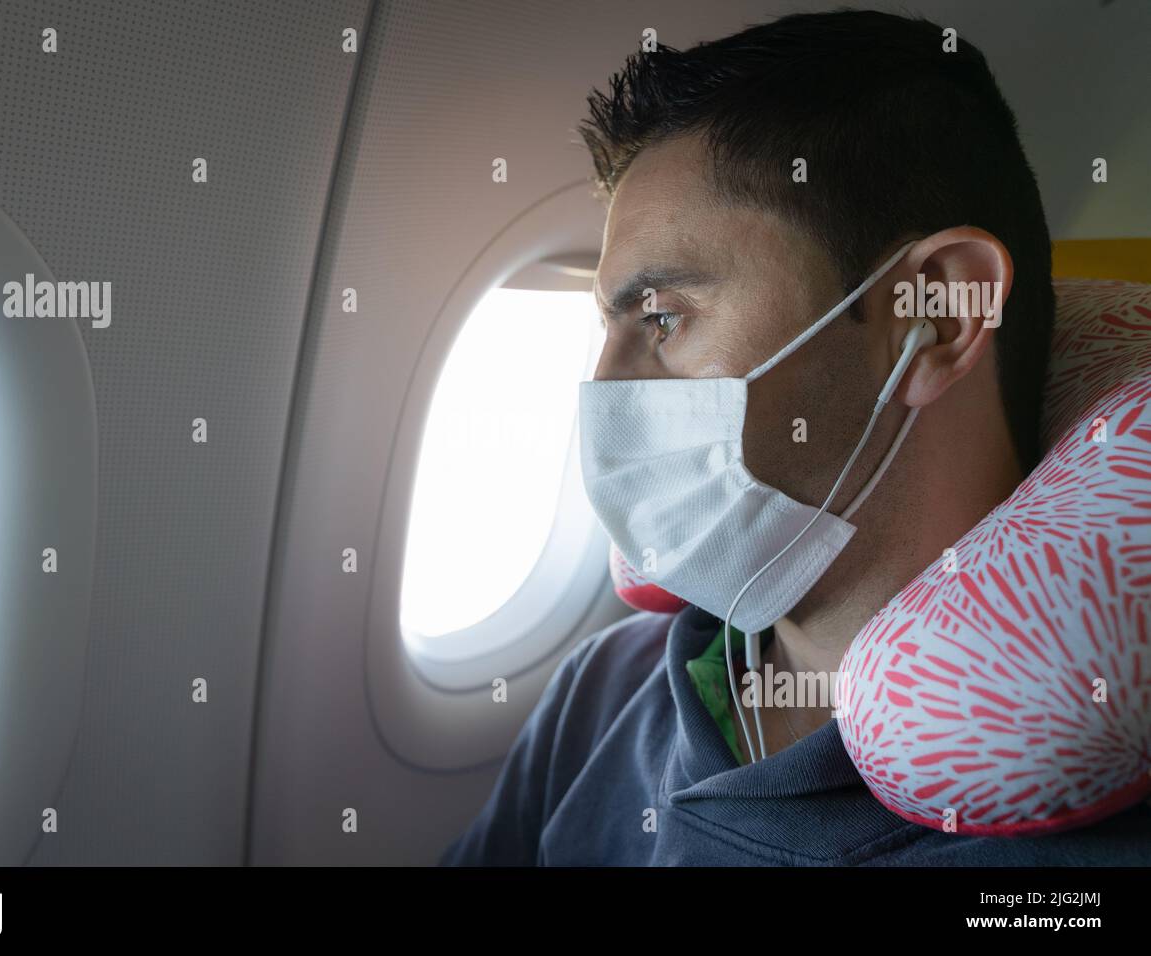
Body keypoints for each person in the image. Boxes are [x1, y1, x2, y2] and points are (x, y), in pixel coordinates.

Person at [439, 9, 1151, 865]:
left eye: (662, 316)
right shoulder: (603, 691)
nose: (604, 391)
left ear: (937, 314)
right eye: (610, 325)